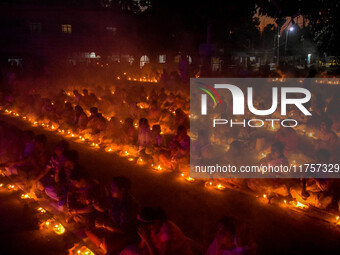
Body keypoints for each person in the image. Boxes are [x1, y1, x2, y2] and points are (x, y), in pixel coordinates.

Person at [87, 176, 138, 254]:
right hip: (111, 226)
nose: (111, 190)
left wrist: (104, 225)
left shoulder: (128, 205)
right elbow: (104, 207)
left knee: (109, 245)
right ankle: (104, 246)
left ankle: (106, 246)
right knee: (88, 230)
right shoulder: (113, 197)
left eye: (113, 189)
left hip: (123, 233)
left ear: (122, 190)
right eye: (111, 188)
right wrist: (94, 203)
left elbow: (122, 230)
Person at [121, 207, 193, 255]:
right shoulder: (153, 227)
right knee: (128, 250)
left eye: (148, 227)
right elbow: (141, 247)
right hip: (154, 250)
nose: (148, 229)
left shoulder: (166, 233)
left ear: (156, 222)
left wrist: (148, 241)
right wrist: (144, 239)